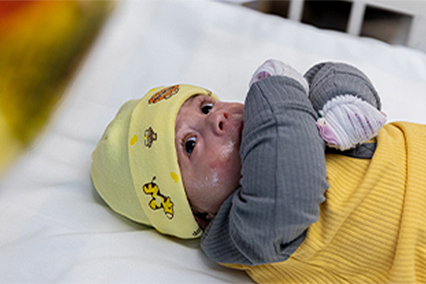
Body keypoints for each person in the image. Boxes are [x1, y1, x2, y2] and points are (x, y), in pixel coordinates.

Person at [91, 60, 426, 283]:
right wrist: (278, 87)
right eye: (189, 144)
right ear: (197, 214)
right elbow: (290, 192)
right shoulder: (240, 234)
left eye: (206, 105)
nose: (215, 118)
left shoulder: (289, 115)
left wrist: (338, 98)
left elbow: (332, 74)